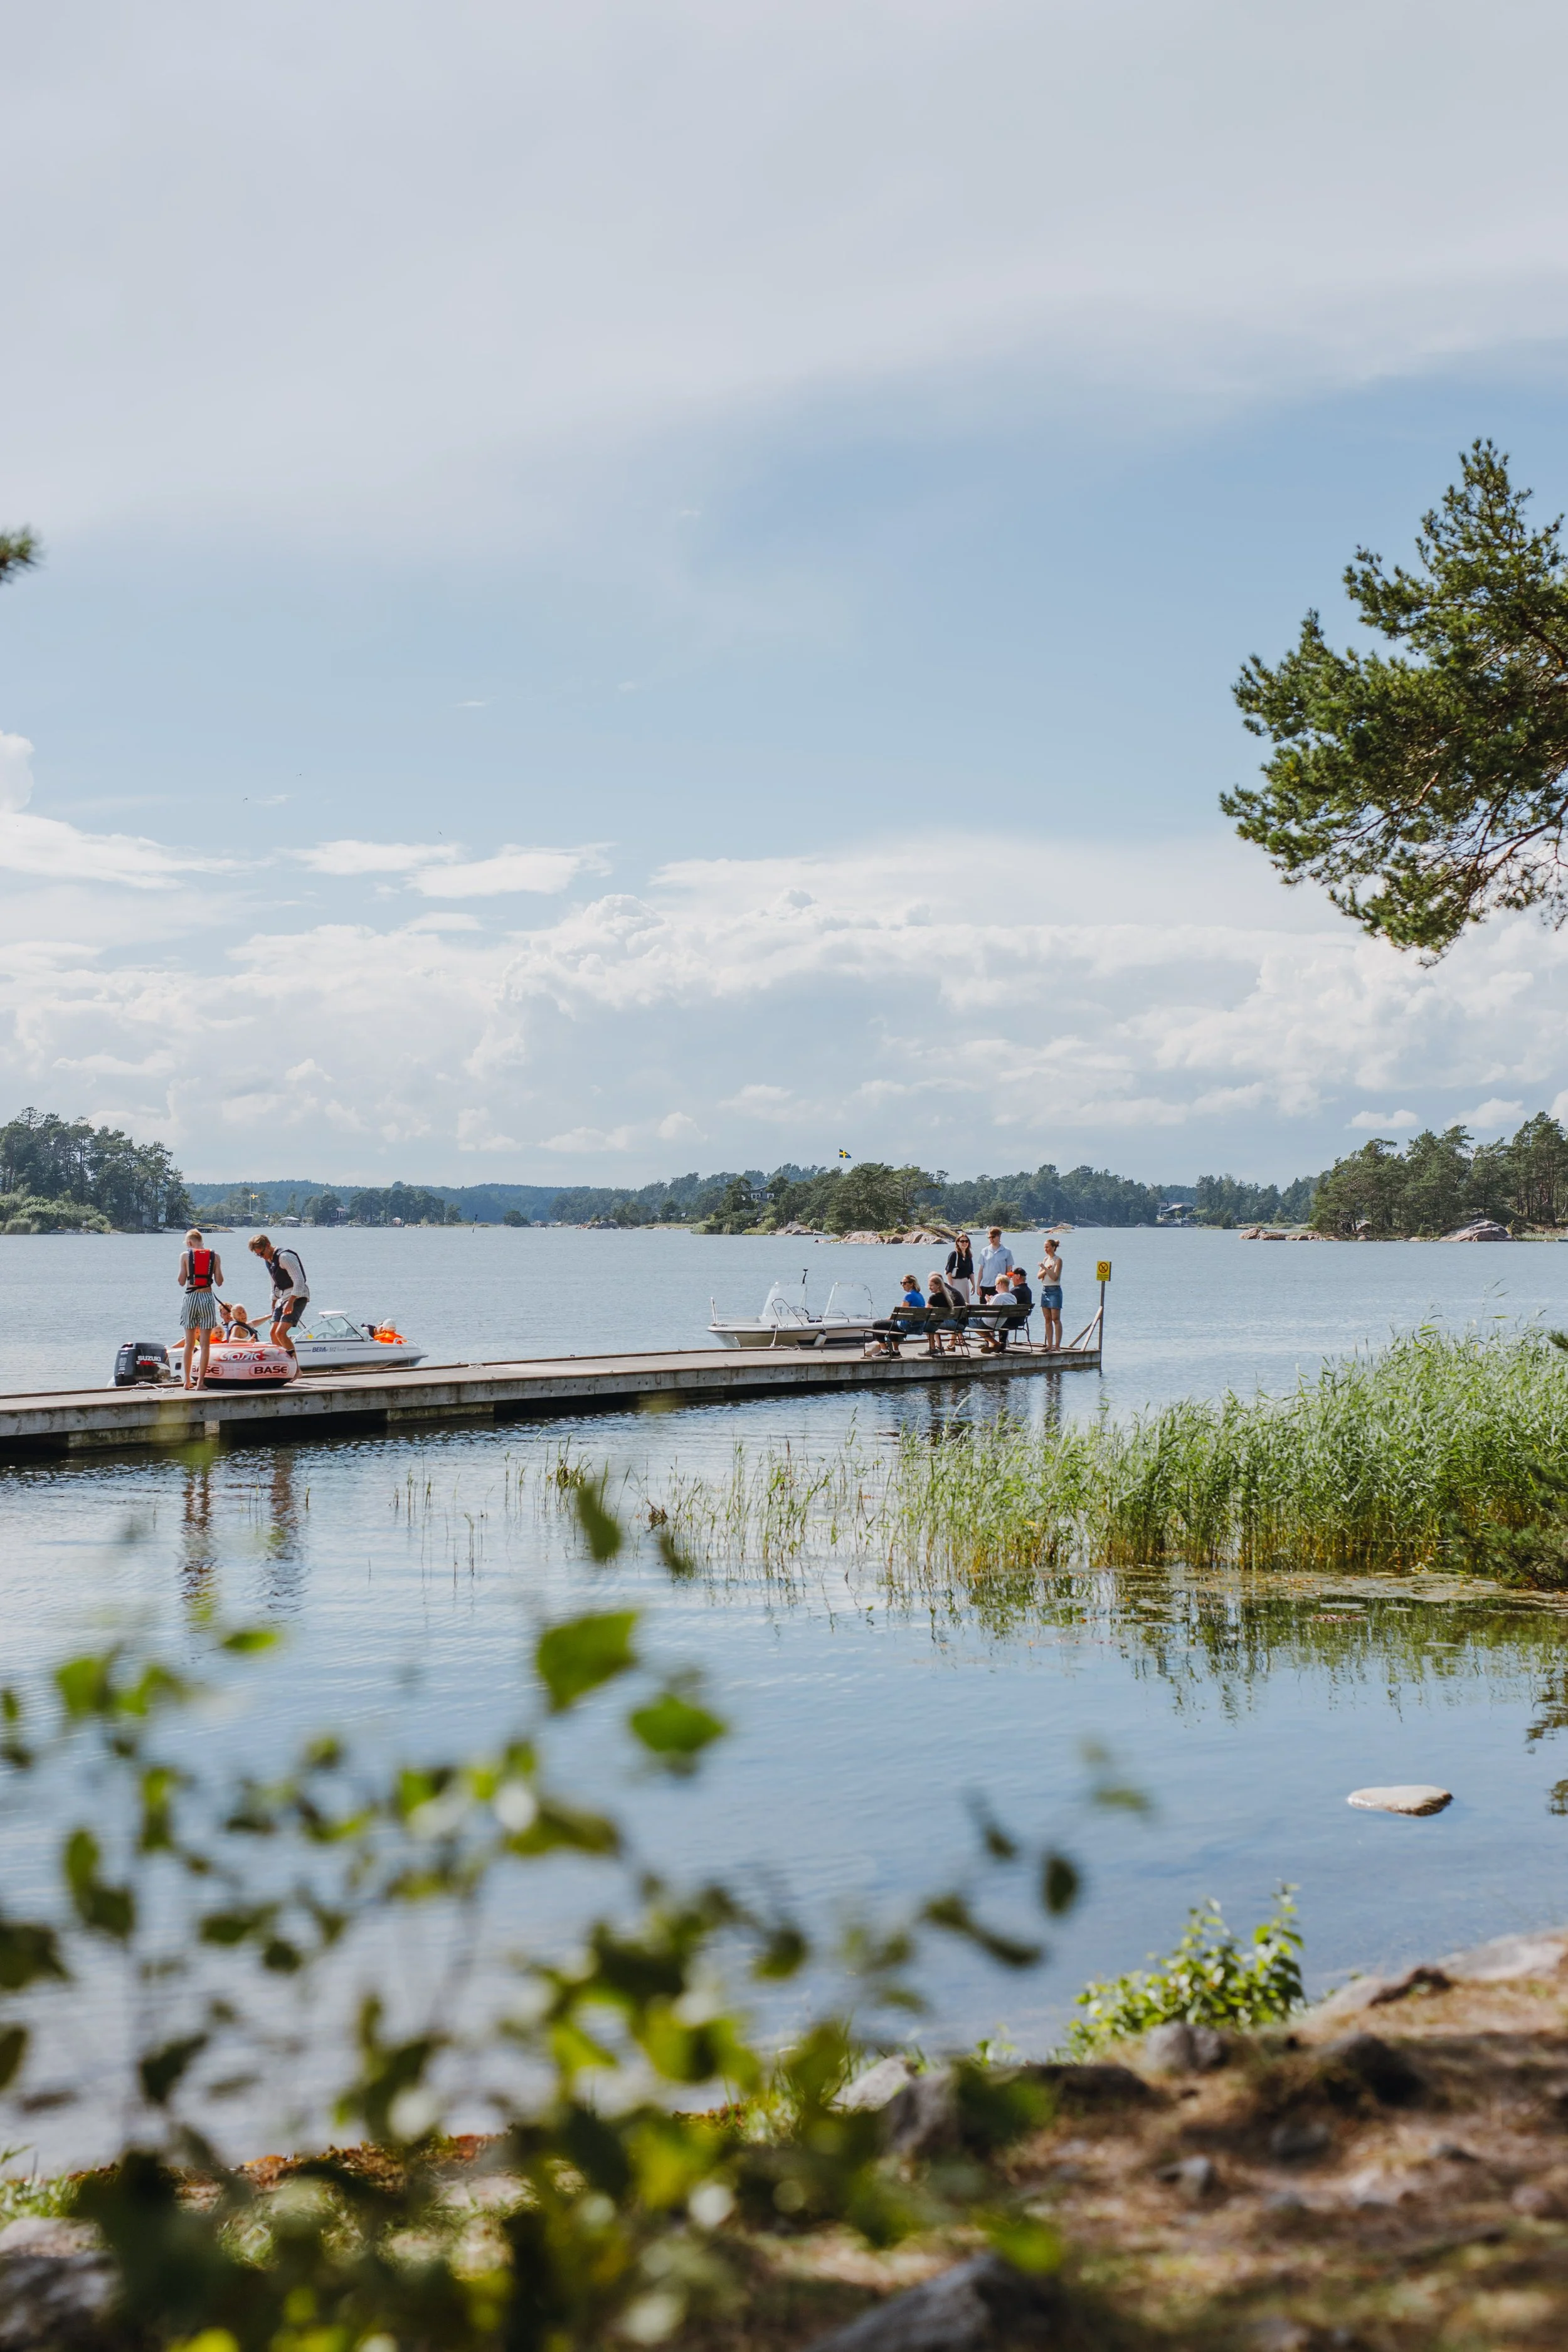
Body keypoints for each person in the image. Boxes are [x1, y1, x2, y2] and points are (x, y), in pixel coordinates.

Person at [249, 1233, 310, 1360]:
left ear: (268, 1245)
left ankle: (295, 1367)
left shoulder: (285, 1257)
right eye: (258, 1255)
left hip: (298, 1295)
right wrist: (274, 1302)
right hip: (283, 1297)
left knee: (281, 1333)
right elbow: (274, 1283)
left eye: (262, 1253)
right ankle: (281, 1362)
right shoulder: (268, 1261)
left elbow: (300, 1280)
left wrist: (291, 1302)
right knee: (273, 1333)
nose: (262, 1257)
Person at [177, 1227, 223, 1391]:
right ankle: (201, 1383)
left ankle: (187, 1381)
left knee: (189, 1343)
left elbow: (181, 1281)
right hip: (207, 1298)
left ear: (189, 1243)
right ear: (201, 1241)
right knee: (205, 1345)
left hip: (190, 1298)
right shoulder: (215, 1256)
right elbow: (220, 1282)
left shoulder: (185, 1256)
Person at [867, 1274, 926, 1355]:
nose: (902, 1285)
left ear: (912, 1284)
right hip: (918, 1327)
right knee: (892, 1325)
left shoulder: (909, 1296)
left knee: (876, 1325)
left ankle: (884, 1351)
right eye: (901, 1283)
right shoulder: (920, 1296)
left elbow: (900, 1315)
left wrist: (889, 1319)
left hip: (907, 1326)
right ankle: (896, 1351)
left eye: (905, 1283)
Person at [1037, 1236, 1064, 1352]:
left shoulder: (1058, 1260)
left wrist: (1045, 1268)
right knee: (1047, 1319)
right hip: (1045, 1290)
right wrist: (1045, 1269)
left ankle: (1057, 1345)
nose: (1046, 1249)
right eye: (1045, 1247)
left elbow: (1055, 1277)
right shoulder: (1045, 1259)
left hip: (1055, 1290)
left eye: (1048, 1247)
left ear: (1053, 1247)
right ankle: (1049, 1344)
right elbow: (1039, 1276)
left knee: (1055, 1318)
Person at [977, 1227, 1014, 1301]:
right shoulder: (984, 1251)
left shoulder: (1007, 1252)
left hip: (1000, 1286)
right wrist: (978, 1286)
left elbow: (1010, 1270)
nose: (991, 1239)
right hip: (985, 1286)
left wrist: (1007, 1285)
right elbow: (981, 1270)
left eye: (993, 1237)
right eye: (989, 1237)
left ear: (999, 1236)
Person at [944, 1232, 975, 1301]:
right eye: (962, 1241)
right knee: (957, 1302)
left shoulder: (968, 1256)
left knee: (966, 1303)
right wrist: (951, 1287)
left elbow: (971, 1272)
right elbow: (948, 1272)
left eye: (966, 1241)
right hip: (955, 1283)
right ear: (958, 1243)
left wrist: (974, 1285)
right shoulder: (954, 1254)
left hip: (965, 1283)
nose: (965, 1243)